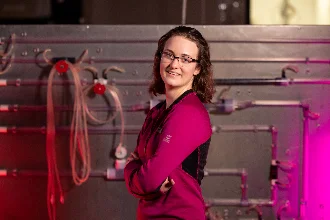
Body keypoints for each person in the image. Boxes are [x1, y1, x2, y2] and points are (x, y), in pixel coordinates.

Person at [124, 25, 214, 220]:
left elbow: (147, 179)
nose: (174, 64)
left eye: (186, 59)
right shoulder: (157, 112)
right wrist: (135, 170)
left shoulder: (189, 114)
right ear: (159, 58)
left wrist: (133, 170)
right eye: (169, 55)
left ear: (197, 68)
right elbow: (139, 170)